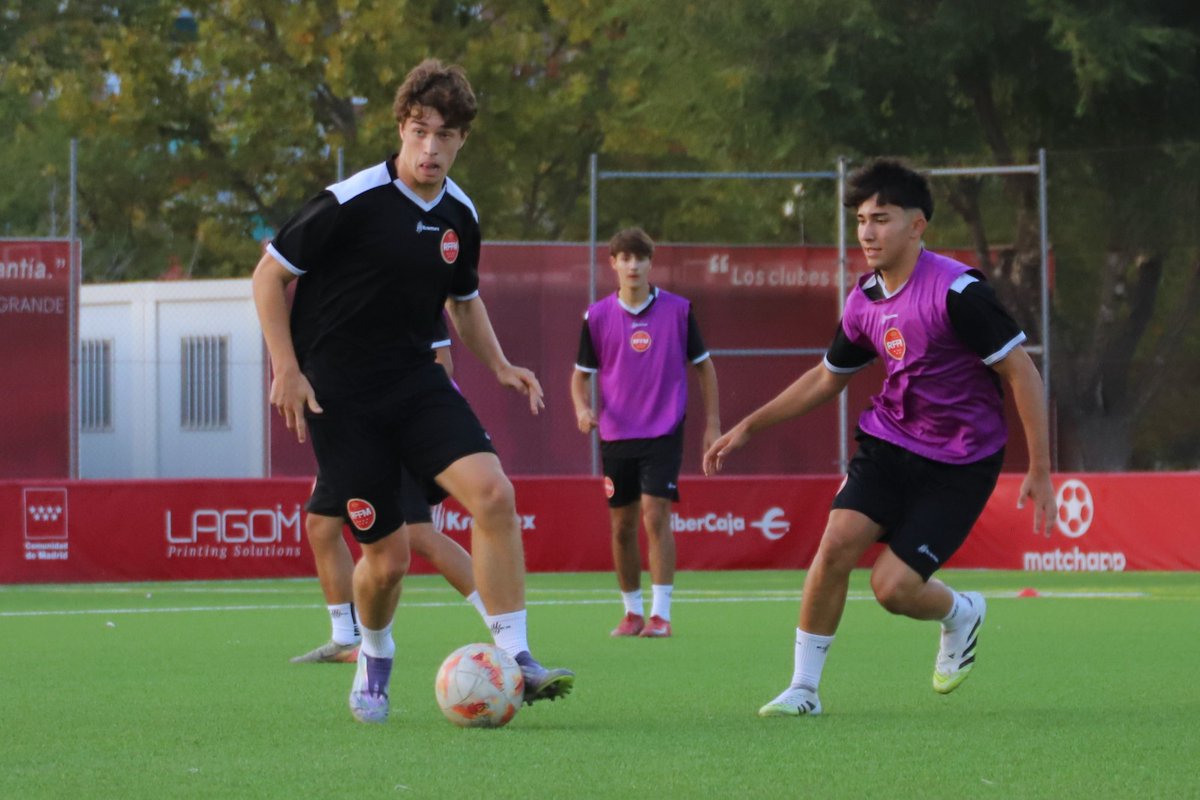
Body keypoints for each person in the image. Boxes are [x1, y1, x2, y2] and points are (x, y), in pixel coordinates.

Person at [252, 58, 573, 723]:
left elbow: (463, 303)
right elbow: (266, 277)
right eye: (421, 130)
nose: (432, 146)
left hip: (416, 383)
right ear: (402, 127)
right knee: (389, 560)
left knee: (493, 494)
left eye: (446, 135)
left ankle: (515, 655)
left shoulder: (460, 214)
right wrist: (286, 367)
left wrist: (503, 364)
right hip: (341, 398)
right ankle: (373, 655)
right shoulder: (349, 200)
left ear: (462, 141)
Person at [703, 158, 1055, 717]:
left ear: (917, 226)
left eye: (881, 219)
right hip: (890, 442)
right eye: (862, 220)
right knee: (836, 542)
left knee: (892, 589)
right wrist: (749, 425)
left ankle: (960, 613)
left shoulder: (957, 292)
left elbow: (1023, 373)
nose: (867, 232)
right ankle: (804, 689)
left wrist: (1040, 468)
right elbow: (827, 377)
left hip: (961, 462)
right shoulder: (863, 300)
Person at [290, 345, 490, 665]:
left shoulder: (407, 296)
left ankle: (500, 622)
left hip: (399, 418)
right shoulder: (330, 306)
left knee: (417, 534)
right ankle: (345, 637)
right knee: (321, 524)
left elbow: (443, 363)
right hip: (349, 424)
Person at [571, 227, 721, 639]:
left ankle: (661, 615)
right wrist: (583, 408)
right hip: (617, 435)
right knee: (621, 526)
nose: (633, 265)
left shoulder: (678, 310)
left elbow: (705, 368)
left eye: (641, 258)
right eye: (625, 258)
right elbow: (579, 378)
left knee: (655, 516)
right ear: (613, 264)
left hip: (664, 428)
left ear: (650, 263)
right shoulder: (597, 316)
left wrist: (713, 425)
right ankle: (632, 612)